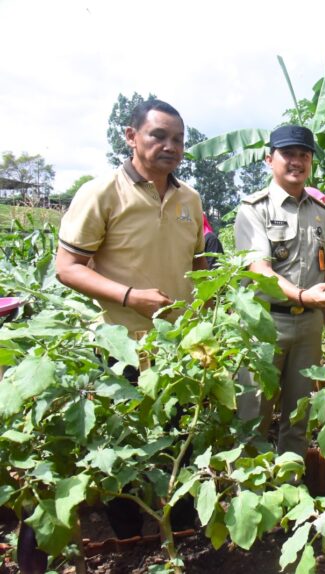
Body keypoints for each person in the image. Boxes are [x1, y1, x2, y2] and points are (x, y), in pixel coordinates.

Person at [55, 98, 206, 537]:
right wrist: (129, 295)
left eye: (177, 139)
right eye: (158, 135)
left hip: (176, 344)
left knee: (179, 436)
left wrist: (204, 312)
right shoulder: (101, 192)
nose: (170, 146)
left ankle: (179, 531)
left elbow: (197, 266)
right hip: (118, 343)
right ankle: (127, 540)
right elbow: (68, 267)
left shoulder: (189, 199)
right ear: (131, 136)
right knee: (121, 443)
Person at [234, 125, 325, 456]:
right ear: (270, 159)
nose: (297, 162)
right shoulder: (254, 208)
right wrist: (301, 295)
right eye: (288, 154)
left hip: (309, 326)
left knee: (299, 416)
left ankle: (292, 488)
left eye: (304, 155)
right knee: (253, 415)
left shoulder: (321, 213)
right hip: (265, 325)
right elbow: (260, 271)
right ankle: (250, 497)